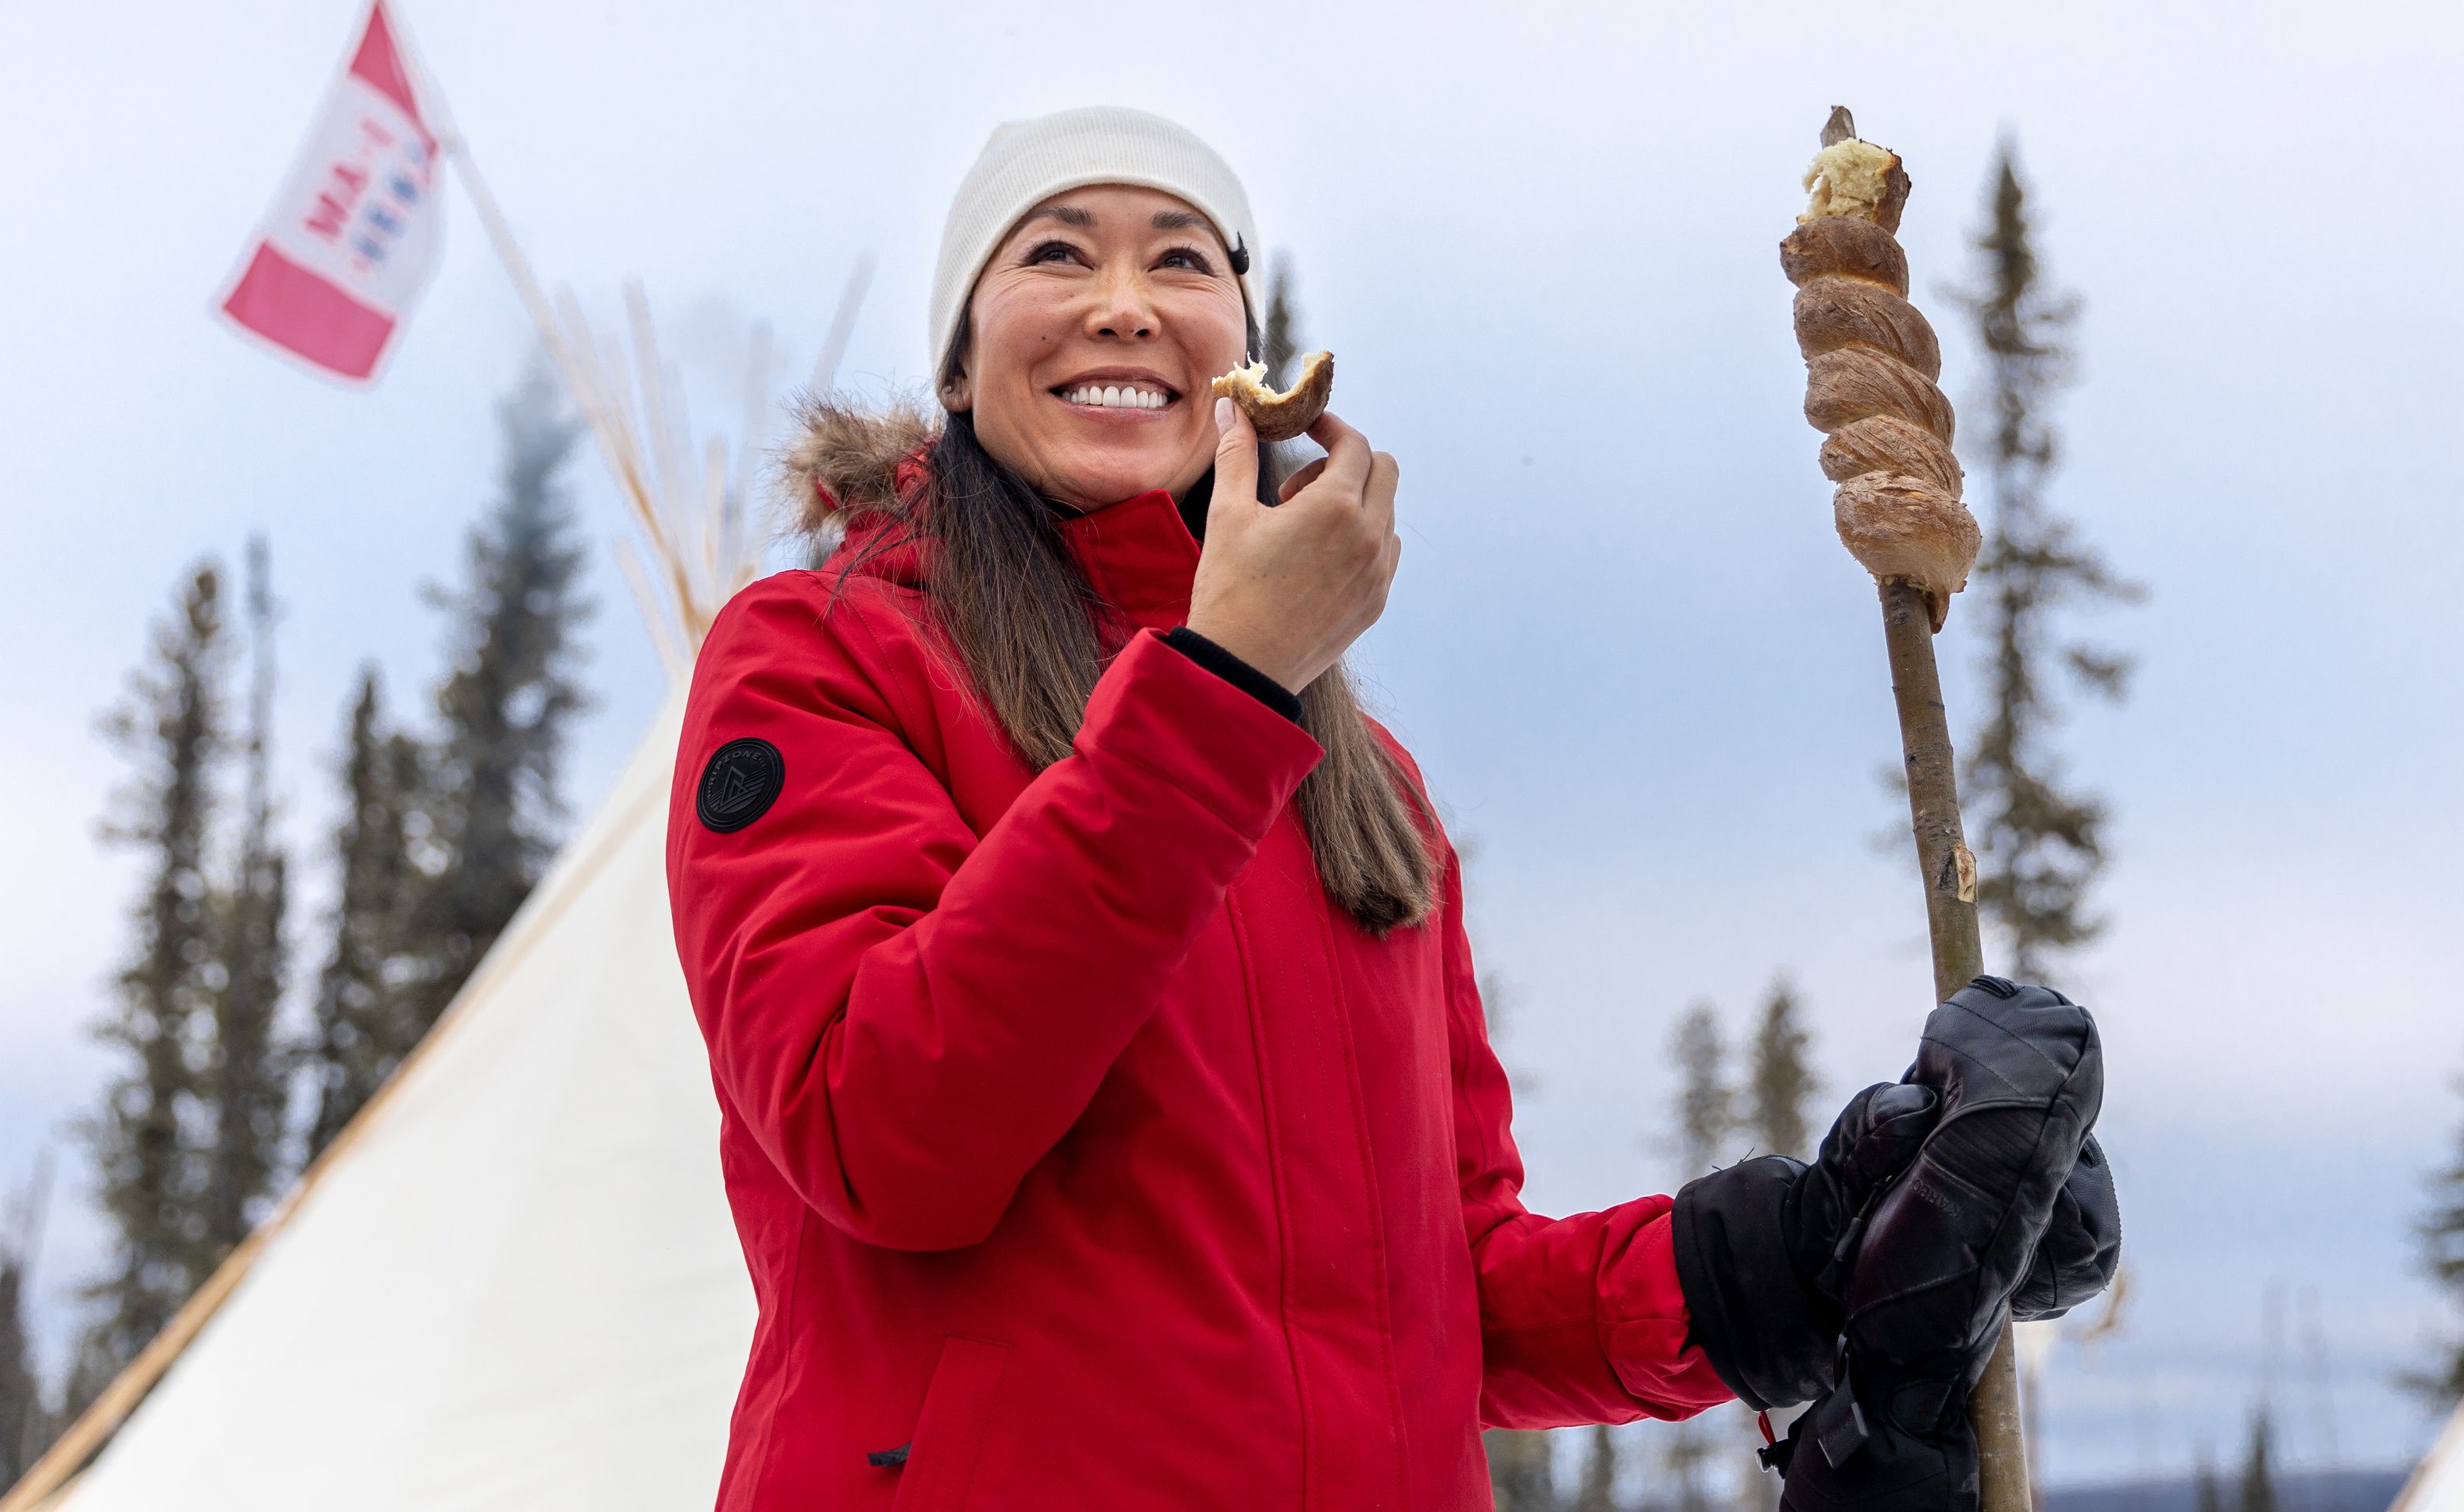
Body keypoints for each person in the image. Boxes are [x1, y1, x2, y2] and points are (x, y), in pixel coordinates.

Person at [666, 106, 2114, 1511]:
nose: (1124, 303)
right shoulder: (824, 654)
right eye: (1054, 254)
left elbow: (1454, 1286)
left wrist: (1804, 1251)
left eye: (1183, 260)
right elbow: (885, 1132)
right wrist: (1226, 681)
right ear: (961, 370)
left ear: (1247, 356)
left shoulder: (1363, 783)